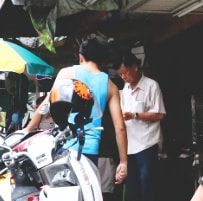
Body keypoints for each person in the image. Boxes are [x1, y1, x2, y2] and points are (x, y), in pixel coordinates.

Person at [27, 37, 128, 185]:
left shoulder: (67, 73)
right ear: (101, 60)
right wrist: (123, 162)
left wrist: (28, 129)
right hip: (90, 151)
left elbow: (46, 105)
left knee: (65, 194)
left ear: (81, 57)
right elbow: (120, 127)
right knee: (87, 197)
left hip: (64, 146)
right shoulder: (110, 85)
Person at [118, 53, 165, 201]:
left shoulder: (151, 86)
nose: (124, 77)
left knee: (147, 181)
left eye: (126, 73)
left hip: (147, 142)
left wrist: (135, 115)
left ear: (135, 68)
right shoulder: (125, 89)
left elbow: (160, 114)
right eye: (121, 74)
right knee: (132, 184)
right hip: (129, 143)